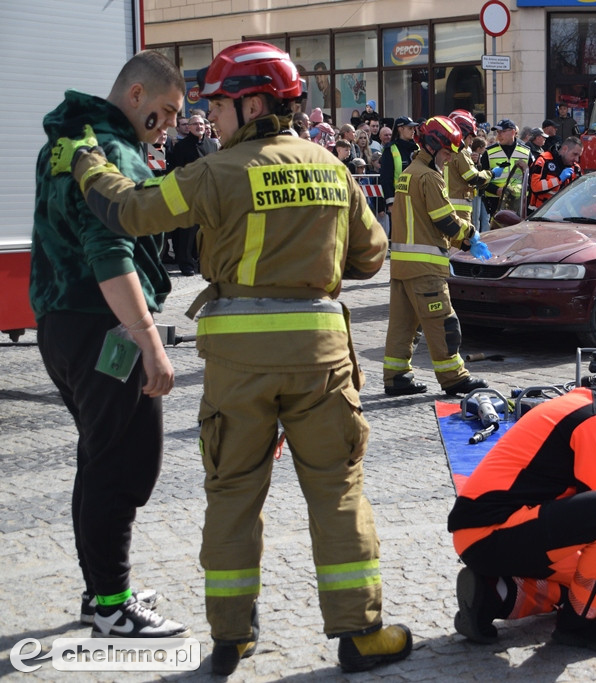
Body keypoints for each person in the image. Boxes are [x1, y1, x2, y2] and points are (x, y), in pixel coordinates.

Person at [51, 41, 412, 676]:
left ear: (251, 103)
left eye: (218, 105)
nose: (209, 119)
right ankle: (361, 633)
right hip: (323, 362)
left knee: (232, 492)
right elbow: (371, 256)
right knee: (338, 491)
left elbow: (131, 212)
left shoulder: (216, 172)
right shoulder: (332, 167)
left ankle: (231, 638)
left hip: (238, 366)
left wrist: (88, 164)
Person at [31, 50, 189, 640]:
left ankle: (101, 588)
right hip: (106, 326)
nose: (169, 125)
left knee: (99, 460)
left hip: (61, 323)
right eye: (165, 112)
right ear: (136, 94)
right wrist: (150, 341)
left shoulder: (67, 142)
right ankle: (110, 604)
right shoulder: (113, 153)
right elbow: (110, 253)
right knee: (124, 464)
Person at [448, 354, 596, 655]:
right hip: (494, 529)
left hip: (486, 531)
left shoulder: (590, 404)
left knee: (589, 581)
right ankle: (579, 625)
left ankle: (490, 596)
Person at [382, 116, 490, 397]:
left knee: (403, 325)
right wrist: (470, 236)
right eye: (446, 152)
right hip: (426, 267)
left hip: (402, 266)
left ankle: (396, 376)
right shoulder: (430, 176)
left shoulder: (409, 172)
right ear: (432, 146)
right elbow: (445, 220)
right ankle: (454, 377)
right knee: (444, 322)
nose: (448, 158)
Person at [165, 113, 215, 276]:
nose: (199, 127)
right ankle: (186, 263)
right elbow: (177, 171)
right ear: (189, 127)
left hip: (207, 193)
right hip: (189, 193)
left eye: (201, 124)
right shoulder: (181, 146)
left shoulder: (211, 145)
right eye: (195, 125)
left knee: (206, 232)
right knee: (187, 232)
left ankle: (202, 262)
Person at [445, 110, 500, 227]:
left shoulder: (445, 150)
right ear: (462, 135)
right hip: (459, 208)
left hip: (447, 205)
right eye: (470, 137)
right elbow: (473, 178)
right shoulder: (460, 152)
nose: (471, 142)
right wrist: (492, 174)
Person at [478, 119, 531, 215]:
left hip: (519, 202)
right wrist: (496, 190)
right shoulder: (488, 152)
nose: (499, 135)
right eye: (498, 132)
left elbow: (532, 179)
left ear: (513, 132)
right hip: (495, 201)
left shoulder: (526, 152)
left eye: (502, 131)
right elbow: (481, 180)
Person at [529, 136, 583, 211]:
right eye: (574, 154)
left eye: (578, 156)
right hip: (540, 213)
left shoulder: (576, 168)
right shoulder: (544, 160)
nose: (576, 159)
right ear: (565, 149)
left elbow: (580, 192)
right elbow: (535, 187)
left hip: (564, 215)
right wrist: (559, 179)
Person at [379, 116, 419, 216]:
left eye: (413, 128)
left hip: (417, 199)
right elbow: (386, 178)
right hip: (399, 200)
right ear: (400, 129)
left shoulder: (417, 148)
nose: (413, 131)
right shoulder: (390, 149)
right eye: (410, 128)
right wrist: (390, 203)